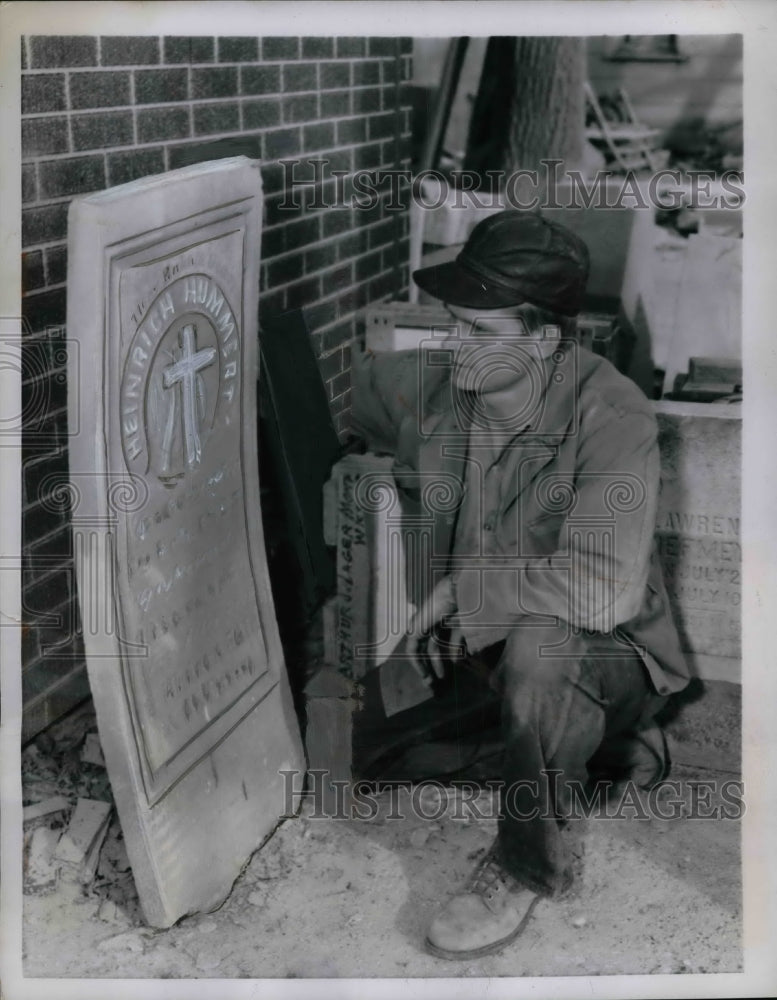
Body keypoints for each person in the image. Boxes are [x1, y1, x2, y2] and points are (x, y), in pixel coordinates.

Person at [351, 211, 690, 960]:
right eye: (452, 324)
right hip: (475, 646)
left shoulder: (613, 417)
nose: (454, 346)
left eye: (480, 331)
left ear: (543, 339)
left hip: (598, 651)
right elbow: (348, 401)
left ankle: (523, 860)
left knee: (544, 649)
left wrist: (469, 594)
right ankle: (581, 755)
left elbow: (602, 591)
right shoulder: (436, 390)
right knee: (345, 751)